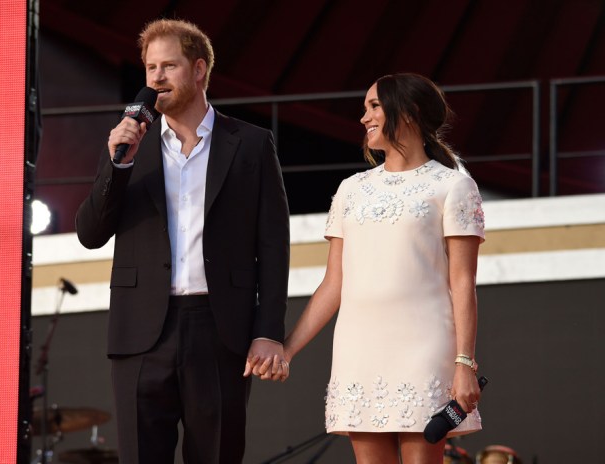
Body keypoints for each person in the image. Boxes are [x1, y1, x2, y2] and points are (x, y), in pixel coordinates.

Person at [75, 18, 290, 464]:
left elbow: (273, 245)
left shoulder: (250, 144)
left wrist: (268, 331)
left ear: (198, 70)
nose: (155, 78)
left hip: (220, 328)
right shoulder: (129, 143)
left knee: (216, 454)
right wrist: (119, 167)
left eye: (168, 66)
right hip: (140, 332)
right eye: (150, 67)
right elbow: (91, 233)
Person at [280, 73, 485, 464]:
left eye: (374, 106)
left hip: (426, 348)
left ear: (408, 112)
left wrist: (464, 363)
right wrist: (288, 350)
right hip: (359, 350)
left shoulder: (454, 186)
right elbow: (333, 284)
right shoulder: (350, 188)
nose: (363, 118)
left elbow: (462, 282)